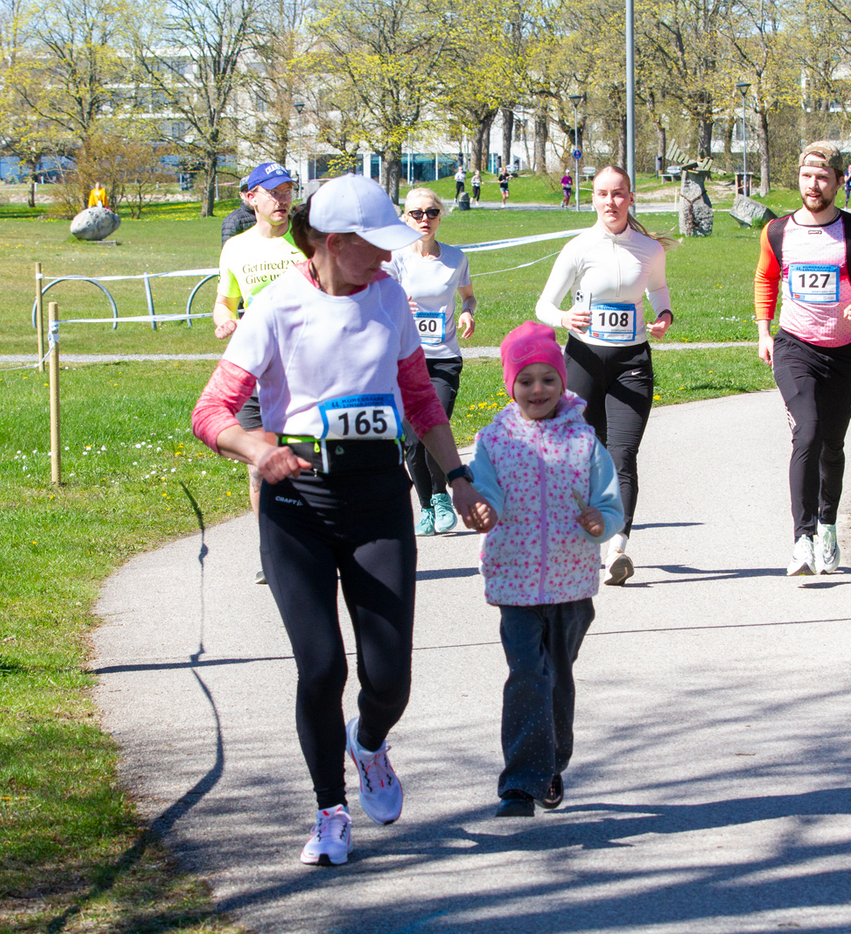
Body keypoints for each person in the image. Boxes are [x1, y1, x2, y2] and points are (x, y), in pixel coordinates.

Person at [191, 173, 494, 867]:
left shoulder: (388, 296)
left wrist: (457, 477)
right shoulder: (276, 306)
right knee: (322, 666)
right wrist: (255, 448)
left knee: (389, 678)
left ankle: (370, 743)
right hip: (297, 505)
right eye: (375, 244)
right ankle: (330, 810)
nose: (389, 256)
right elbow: (210, 412)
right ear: (332, 242)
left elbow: (420, 400)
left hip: (378, 499)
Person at [470, 321, 624, 818]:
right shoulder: (493, 441)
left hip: (571, 586)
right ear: (510, 384)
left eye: (548, 379)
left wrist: (601, 523)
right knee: (527, 677)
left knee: (556, 679)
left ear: (563, 382)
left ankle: (551, 763)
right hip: (514, 584)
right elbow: (484, 492)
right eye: (526, 380)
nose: (538, 390)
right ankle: (520, 783)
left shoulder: (584, 442)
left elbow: (609, 503)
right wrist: (482, 510)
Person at [755, 141, 851, 576]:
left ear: (838, 181)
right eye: (806, 176)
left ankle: (828, 526)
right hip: (794, 347)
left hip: (842, 354)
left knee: (832, 445)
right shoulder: (777, 231)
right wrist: (763, 332)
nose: (813, 185)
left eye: (822, 177)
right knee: (808, 433)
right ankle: (802, 539)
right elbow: (765, 278)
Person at [535, 165, 673, 586]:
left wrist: (664, 314)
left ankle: (617, 551)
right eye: (602, 194)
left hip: (632, 364)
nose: (610, 202)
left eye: (618, 193)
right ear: (593, 198)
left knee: (623, 455)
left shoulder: (649, 249)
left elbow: (658, 289)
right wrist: (564, 317)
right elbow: (544, 305)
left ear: (630, 198)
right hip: (584, 361)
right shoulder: (578, 248)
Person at [212, 162, 305, 584]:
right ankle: (274, 550)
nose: (282, 199)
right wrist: (224, 321)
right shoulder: (236, 248)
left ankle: (318, 544)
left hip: (303, 368)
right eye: (273, 192)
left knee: (306, 458)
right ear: (251, 198)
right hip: (255, 366)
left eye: (287, 191)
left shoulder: (306, 240)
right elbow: (225, 302)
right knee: (257, 464)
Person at [383, 187, 476, 536]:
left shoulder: (455, 258)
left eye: (432, 212)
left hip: (443, 359)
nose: (425, 219)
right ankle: (425, 507)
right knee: (412, 439)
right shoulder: (394, 259)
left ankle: (441, 496)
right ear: (405, 218)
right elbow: (377, 301)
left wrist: (467, 312)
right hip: (405, 359)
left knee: (435, 427)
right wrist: (395, 304)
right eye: (417, 213)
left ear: (440, 216)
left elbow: (469, 297)